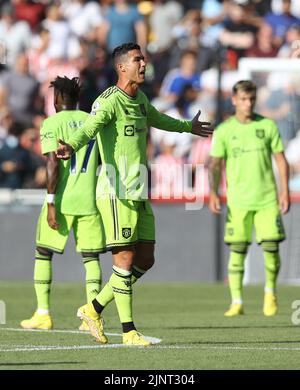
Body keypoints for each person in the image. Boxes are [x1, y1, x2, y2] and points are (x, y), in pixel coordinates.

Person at [56, 42, 213, 346]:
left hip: (138, 190)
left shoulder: (139, 99)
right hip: (116, 191)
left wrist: (187, 127)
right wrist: (70, 146)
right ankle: (128, 331)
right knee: (124, 259)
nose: (143, 65)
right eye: (138, 60)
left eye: (144, 59)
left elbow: (158, 118)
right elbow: (89, 128)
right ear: (121, 67)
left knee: (146, 258)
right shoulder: (108, 101)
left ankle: (93, 308)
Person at [21, 76, 105, 331]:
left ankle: (43, 313)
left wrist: (50, 202)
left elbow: (52, 162)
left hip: (62, 200)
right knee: (91, 258)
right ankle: (92, 313)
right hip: (90, 199)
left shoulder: (52, 123)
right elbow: (101, 160)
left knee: (43, 252)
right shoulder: (92, 121)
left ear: (57, 98)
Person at [208, 80, 290, 317]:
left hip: (267, 200)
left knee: (271, 249)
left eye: (251, 99)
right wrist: (213, 192)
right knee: (237, 251)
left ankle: (270, 293)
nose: (248, 103)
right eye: (243, 99)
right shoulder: (224, 130)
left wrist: (284, 191)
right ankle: (236, 301)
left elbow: (281, 160)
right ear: (234, 100)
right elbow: (215, 164)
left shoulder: (268, 126)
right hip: (238, 201)